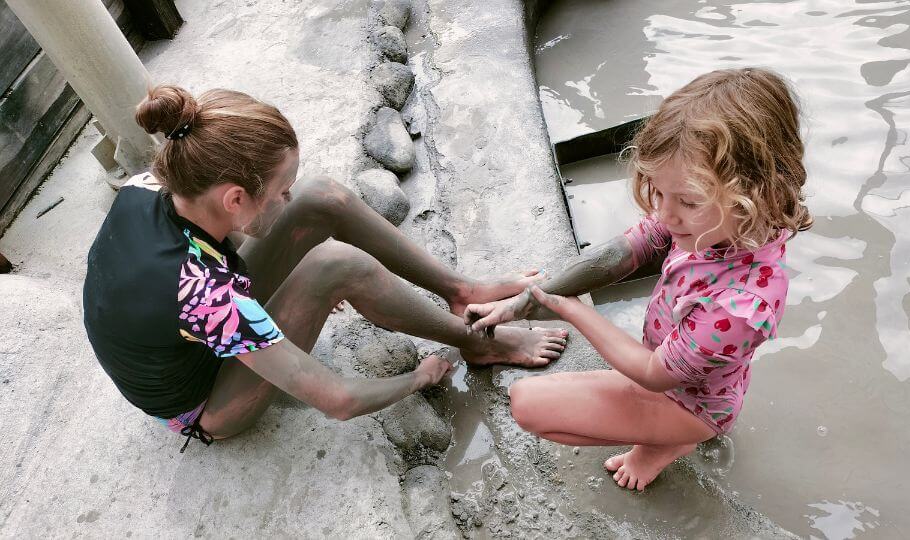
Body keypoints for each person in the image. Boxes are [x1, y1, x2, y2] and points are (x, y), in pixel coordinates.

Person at [83, 85, 568, 451]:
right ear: (235, 198)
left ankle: (461, 292)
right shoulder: (208, 296)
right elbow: (339, 400)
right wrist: (420, 377)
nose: (287, 197)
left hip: (190, 326)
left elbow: (224, 247)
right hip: (208, 404)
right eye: (281, 191)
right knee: (335, 264)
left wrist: (289, 280)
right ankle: (478, 343)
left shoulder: (155, 184)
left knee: (321, 197)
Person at [463, 68, 812, 490]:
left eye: (687, 201)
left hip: (692, 403)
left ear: (757, 193)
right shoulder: (718, 223)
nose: (664, 214)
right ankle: (664, 433)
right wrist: (521, 302)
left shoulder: (744, 304)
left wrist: (572, 312)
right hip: (683, 368)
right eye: (659, 193)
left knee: (527, 406)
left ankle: (670, 441)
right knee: (531, 399)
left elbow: (653, 372)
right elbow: (627, 250)